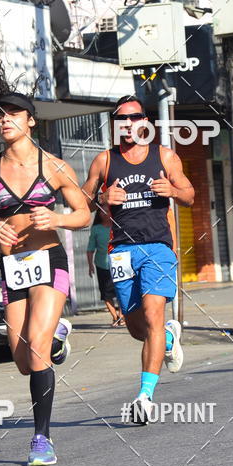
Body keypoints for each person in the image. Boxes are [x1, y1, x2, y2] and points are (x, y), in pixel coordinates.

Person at [0, 68, 90, 466]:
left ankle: (42, 439)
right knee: (24, 362)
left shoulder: (54, 167)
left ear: (30, 121)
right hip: (13, 267)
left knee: (36, 351)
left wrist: (55, 220)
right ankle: (57, 335)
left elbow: (84, 213)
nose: (4, 120)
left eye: (12, 114)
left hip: (49, 261)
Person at [82, 95, 195, 424]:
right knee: (136, 328)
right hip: (121, 251)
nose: (128, 124)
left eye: (133, 118)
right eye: (121, 120)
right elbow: (82, 201)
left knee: (153, 312)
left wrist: (172, 191)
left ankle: (145, 396)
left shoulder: (165, 156)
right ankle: (169, 338)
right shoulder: (104, 161)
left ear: (145, 121)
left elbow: (189, 194)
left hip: (158, 247)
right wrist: (101, 198)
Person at [87, 208, 123, 326]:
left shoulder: (118, 225)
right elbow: (90, 249)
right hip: (102, 265)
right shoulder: (96, 229)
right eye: (102, 211)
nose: (105, 213)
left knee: (122, 291)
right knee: (106, 293)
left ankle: (122, 317)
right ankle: (115, 317)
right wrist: (90, 265)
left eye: (107, 210)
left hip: (119, 263)